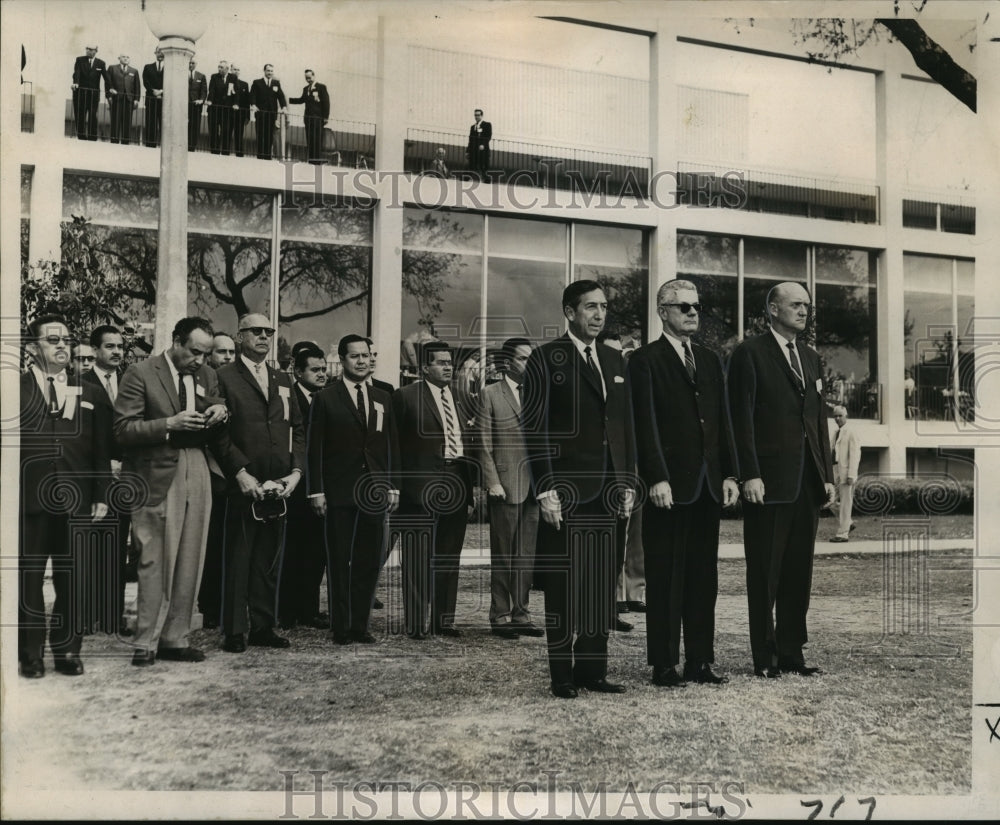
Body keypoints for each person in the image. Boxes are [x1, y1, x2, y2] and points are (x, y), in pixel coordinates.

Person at [521, 280, 636, 699]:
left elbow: (624, 428)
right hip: (565, 494)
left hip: (608, 492)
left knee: (599, 584)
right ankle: (562, 675)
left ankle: (592, 670)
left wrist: (626, 481)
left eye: (603, 307)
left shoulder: (614, 359)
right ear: (570, 312)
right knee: (563, 585)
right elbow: (535, 430)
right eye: (590, 307)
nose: (599, 315)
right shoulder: (544, 357)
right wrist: (545, 489)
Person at [628, 280, 740, 687]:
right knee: (664, 575)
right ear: (663, 311)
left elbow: (721, 423)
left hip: (707, 485)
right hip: (668, 489)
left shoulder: (710, 360)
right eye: (684, 307)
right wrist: (655, 477)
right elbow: (645, 424)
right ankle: (663, 663)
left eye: (696, 306)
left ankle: (700, 661)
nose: (693, 312)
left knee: (701, 578)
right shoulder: (644, 361)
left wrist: (729, 473)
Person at [727, 282, 836, 679]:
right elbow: (741, 420)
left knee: (797, 572)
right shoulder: (749, 354)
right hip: (768, 482)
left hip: (806, 482)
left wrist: (826, 473)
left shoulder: (810, 357)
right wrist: (749, 473)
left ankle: (792, 651)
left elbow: (816, 421)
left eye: (807, 305)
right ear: (773, 309)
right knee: (765, 571)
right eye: (795, 304)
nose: (804, 311)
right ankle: (765, 655)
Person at [114, 316, 230, 667]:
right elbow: (122, 430)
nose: (200, 360)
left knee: (191, 555)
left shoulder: (206, 374)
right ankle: (145, 642)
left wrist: (219, 410)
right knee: (155, 558)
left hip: (198, 465)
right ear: (176, 342)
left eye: (206, 354)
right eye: (195, 352)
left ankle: (175, 638)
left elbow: (215, 398)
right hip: (156, 473)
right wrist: (169, 424)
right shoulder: (140, 372)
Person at [19, 315, 110, 678]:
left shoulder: (88, 391)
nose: (61, 346)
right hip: (27, 500)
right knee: (28, 579)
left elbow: (100, 449)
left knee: (72, 578)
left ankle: (68, 651)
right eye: (52, 340)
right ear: (31, 348)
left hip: (75, 498)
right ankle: (30, 654)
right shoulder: (12, 390)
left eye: (66, 340)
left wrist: (102, 492)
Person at [215, 313, 305, 653]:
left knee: (269, 558)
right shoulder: (223, 376)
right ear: (240, 336)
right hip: (244, 483)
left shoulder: (282, 378)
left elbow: (299, 429)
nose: (264, 337)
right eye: (256, 331)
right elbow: (218, 433)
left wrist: (296, 473)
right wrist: (240, 472)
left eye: (268, 331)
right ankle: (235, 630)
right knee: (239, 558)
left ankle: (264, 626)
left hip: (279, 483)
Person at [308, 335, 399, 644]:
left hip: (374, 491)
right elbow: (314, 449)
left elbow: (390, 445)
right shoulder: (325, 398)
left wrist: (393, 486)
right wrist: (316, 491)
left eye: (366, 355)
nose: (362, 361)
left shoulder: (383, 397)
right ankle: (341, 627)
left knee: (369, 559)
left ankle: (360, 625)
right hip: (338, 492)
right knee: (339, 560)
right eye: (355, 356)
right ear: (343, 361)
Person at [391, 341, 477, 639]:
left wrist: (470, 489)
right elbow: (394, 446)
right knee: (417, 556)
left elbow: (470, 447)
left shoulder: (462, 397)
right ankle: (416, 622)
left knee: (448, 556)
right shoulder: (405, 397)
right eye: (440, 362)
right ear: (425, 367)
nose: (447, 367)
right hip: (419, 487)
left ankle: (444, 619)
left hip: (456, 482)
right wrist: (397, 488)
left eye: (449, 362)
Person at [478, 337, 543, 639]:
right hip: (505, 485)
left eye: (532, 358)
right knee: (504, 554)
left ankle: (522, 613)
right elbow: (483, 443)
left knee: (526, 555)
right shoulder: (490, 394)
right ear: (507, 363)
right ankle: (500, 615)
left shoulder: (537, 394)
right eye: (524, 359)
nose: (530, 364)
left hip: (534, 486)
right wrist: (492, 482)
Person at [82, 325, 131, 637]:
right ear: (95, 350)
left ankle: (113, 615)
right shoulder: (81, 384)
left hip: (125, 476)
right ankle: (85, 614)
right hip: (92, 479)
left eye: (120, 347)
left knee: (117, 548)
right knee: (88, 548)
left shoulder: (130, 383)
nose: (117, 352)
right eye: (110, 346)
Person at [278, 344, 330, 630]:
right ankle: (286, 611)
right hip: (295, 484)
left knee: (315, 551)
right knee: (293, 550)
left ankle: (308, 609)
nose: (321, 374)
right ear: (298, 371)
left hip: (318, 484)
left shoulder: (324, 398)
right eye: (315, 370)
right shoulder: (290, 397)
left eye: (323, 369)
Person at [196, 332, 238, 629]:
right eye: (221, 352)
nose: (227, 357)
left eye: (231, 352)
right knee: (209, 544)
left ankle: (227, 603)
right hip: (209, 470)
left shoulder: (231, 384)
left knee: (229, 544)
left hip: (235, 470)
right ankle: (209, 605)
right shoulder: (205, 381)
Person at [829, 405, 861, 543]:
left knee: (845, 503)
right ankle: (848, 523)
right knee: (829, 501)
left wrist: (851, 475)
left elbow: (855, 454)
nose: (837, 418)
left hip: (846, 472)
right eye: (835, 416)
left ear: (846, 415)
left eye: (840, 415)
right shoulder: (836, 432)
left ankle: (843, 534)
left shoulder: (851, 432)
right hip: (835, 470)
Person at [289, 69, 330, 164]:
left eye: (310, 77)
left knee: (317, 141)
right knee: (310, 141)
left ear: (314, 76)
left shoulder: (321, 87)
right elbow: (301, 100)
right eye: (306, 78)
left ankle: (317, 162)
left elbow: (326, 103)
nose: (308, 80)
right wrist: (287, 100)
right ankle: (311, 161)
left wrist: (325, 117)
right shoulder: (305, 89)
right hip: (308, 119)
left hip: (318, 119)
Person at [250, 64, 287, 160]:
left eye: (271, 71)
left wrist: (284, 107)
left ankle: (267, 158)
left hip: (272, 115)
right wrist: (253, 105)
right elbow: (252, 95)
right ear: (264, 71)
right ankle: (260, 157)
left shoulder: (276, 83)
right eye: (268, 70)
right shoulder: (257, 82)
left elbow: (281, 96)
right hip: (261, 114)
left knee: (269, 137)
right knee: (260, 136)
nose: (270, 72)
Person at [71, 44, 105, 141]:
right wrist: (76, 83)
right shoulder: (80, 60)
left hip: (93, 95)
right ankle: (81, 136)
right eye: (87, 49)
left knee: (93, 116)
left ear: (96, 51)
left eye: (91, 49)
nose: (88, 51)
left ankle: (92, 137)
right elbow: (76, 73)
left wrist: (110, 88)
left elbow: (106, 77)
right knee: (80, 115)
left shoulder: (101, 63)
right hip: (80, 94)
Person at [105, 54, 139, 145]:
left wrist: (136, 99)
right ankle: (114, 142)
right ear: (119, 58)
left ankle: (125, 143)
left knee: (127, 122)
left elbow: (137, 87)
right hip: (116, 99)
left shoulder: (134, 71)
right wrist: (109, 96)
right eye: (124, 56)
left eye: (128, 57)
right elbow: (108, 83)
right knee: (115, 121)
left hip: (129, 100)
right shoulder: (112, 68)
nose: (126, 58)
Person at [207, 59, 233, 154]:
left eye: (221, 67)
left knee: (226, 131)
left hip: (227, 110)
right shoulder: (214, 77)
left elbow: (236, 92)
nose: (219, 69)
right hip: (215, 108)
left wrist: (236, 104)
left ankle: (225, 152)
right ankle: (214, 151)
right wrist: (209, 100)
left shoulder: (233, 77)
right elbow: (212, 90)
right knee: (213, 131)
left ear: (227, 69)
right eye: (219, 67)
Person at [142, 47, 164, 148]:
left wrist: (162, 91)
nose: (160, 54)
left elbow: (172, 82)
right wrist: (153, 91)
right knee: (151, 123)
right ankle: (150, 145)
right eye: (159, 52)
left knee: (164, 125)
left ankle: (164, 147)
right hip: (151, 99)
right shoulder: (148, 67)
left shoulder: (171, 67)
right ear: (155, 53)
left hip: (165, 101)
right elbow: (145, 81)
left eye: (162, 52)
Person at [228, 64, 251, 157]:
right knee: (227, 134)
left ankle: (239, 155)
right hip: (228, 114)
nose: (236, 71)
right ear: (231, 70)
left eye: (238, 69)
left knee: (239, 135)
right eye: (234, 69)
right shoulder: (227, 81)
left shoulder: (244, 84)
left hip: (240, 115)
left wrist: (247, 116)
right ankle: (225, 153)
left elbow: (247, 102)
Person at [187, 59, 207, 151]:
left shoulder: (201, 76)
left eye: (193, 63)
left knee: (195, 125)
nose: (191, 65)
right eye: (189, 63)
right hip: (184, 104)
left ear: (196, 64)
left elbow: (204, 90)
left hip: (196, 105)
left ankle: (192, 146)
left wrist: (201, 100)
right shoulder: (182, 73)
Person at [466, 107, 492, 179]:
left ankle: (486, 179)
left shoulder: (487, 124)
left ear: (481, 115)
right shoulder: (472, 127)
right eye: (475, 115)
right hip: (474, 150)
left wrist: (483, 144)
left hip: (483, 149)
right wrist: (467, 151)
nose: (476, 117)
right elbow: (470, 140)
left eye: (478, 115)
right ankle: (468, 178)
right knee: (472, 164)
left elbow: (488, 136)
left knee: (483, 165)